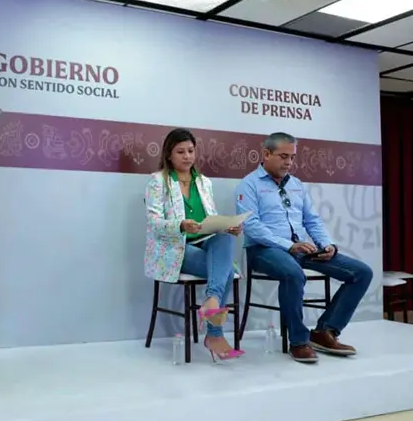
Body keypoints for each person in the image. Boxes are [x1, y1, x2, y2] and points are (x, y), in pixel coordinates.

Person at [235, 132, 373, 363]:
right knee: (293, 273)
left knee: (362, 272)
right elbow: (252, 226)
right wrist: (289, 245)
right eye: (283, 156)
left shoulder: (296, 185)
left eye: (292, 157)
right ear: (266, 154)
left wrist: (326, 244)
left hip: (301, 250)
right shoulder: (248, 185)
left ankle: (325, 331)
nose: (289, 162)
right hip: (264, 250)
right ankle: (298, 341)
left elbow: (312, 220)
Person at [144, 128, 245, 362]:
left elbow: (210, 217)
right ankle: (214, 333)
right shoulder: (158, 181)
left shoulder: (204, 182)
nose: (187, 156)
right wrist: (180, 225)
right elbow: (154, 222)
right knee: (226, 270)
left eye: (190, 151)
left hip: (204, 242)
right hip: (174, 249)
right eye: (180, 152)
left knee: (224, 238)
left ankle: (211, 301)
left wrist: (226, 227)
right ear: (169, 155)